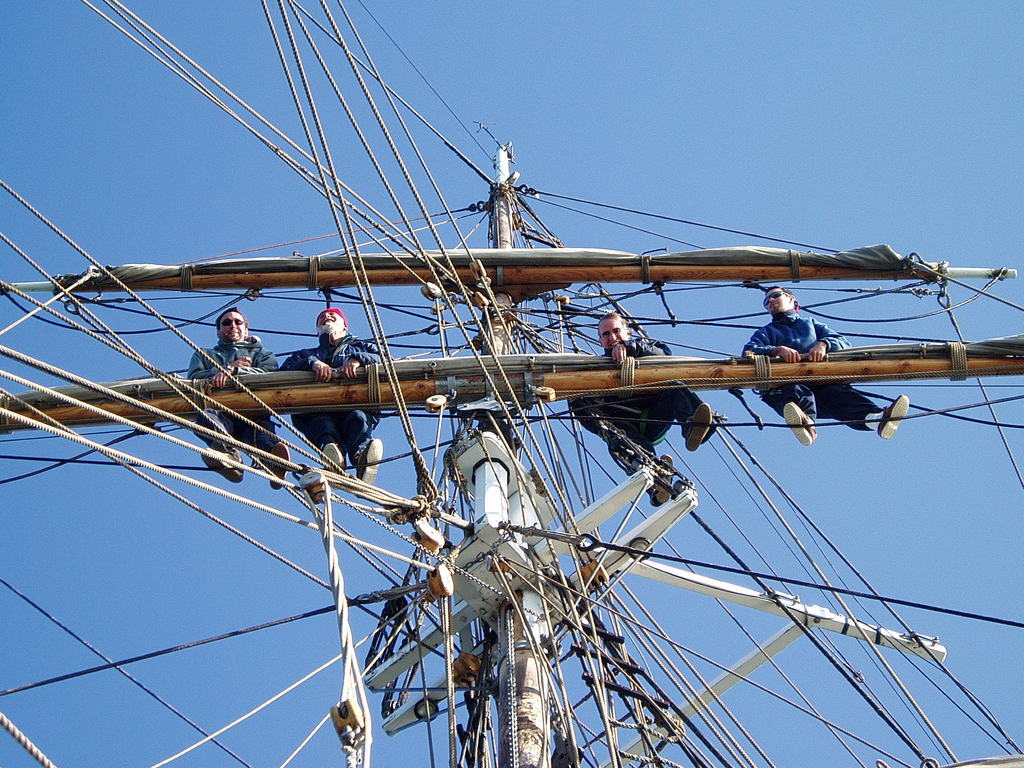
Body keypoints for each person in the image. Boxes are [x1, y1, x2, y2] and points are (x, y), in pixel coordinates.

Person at [570, 312, 715, 496]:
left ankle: (694, 427)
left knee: (675, 387)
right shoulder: (596, 371)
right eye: (606, 335)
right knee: (603, 423)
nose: (613, 338)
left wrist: (632, 348)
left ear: (628, 333)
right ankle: (657, 484)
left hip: (654, 418)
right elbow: (584, 411)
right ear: (600, 341)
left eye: (616, 331)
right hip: (623, 427)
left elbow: (664, 355)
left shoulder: (647, 348)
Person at [742, 286, 910, 445]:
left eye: (775, 296)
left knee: (839, 395)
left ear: (792, 299)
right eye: (766, 302)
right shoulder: (766, 332)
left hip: (822, 382)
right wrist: (776, 350)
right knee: (795, 391)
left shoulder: (811, 324)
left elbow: (842, 343)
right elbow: (749, 352)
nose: (770, 301)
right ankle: (804, 422)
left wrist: (823, 344)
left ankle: (877, 420)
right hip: (785, 386)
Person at [187, 307, 291, 487]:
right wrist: (222, 369)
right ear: (218, 331)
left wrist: (235, 371)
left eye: (238, 322)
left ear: (246, 329)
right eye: (226, 323)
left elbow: (270, 374)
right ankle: (228, 456)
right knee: (205, 417)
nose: (232, 325)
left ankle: (273, 462)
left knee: (261, 435)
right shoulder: (204, 355)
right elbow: (194, 379)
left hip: (254, 411)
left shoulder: (261, 353)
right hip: (219, 411)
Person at [280, 308, 384, 485]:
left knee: (358, 419)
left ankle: (363, 457)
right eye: (321, 317)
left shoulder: (361, 347)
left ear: (345, 326)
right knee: (323, 425)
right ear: (317, 331)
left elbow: (383, 359)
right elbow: (283, 372)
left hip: (355, 404)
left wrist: (356, 359)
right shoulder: (305, 354)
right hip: (315, 409)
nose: (326, 317)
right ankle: (331, 454)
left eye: (332, 316)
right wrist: (312, 363)